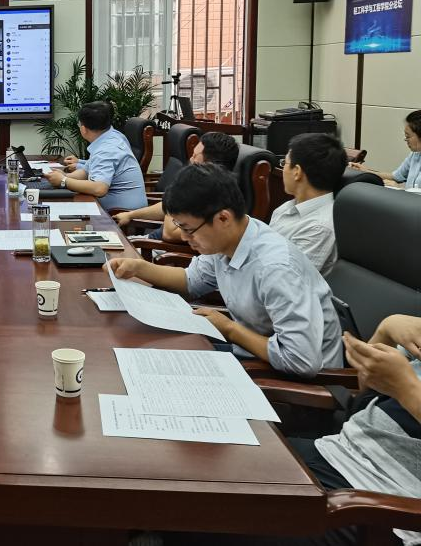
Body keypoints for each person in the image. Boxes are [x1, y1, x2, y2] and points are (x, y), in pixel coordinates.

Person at [164, 314, 421, 546]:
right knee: (180, 480)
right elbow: (365, 393)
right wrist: (386, 330)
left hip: (384, 501)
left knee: (199, 517)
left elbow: (399, 386)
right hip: (335, 450)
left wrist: (406, 386)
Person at [106, 163, 343, 378]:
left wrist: (230, 329)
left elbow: (301, 360)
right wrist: (139, 268)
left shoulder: (275, 268)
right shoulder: (230, 240)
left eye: (188, 229)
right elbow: (191, 280)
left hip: (301, 381)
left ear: (223, 218)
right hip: (255, 354)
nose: (185, 238)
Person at [113, 131, 239, 240]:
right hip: (149, 240)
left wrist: (177, 195)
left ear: (210, 163)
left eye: (195, 156)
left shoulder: (211, 193)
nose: (190, 160)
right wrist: (130, 215)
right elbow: (165, 207)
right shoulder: (198, 184)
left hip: (159, 250)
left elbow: (169, 234)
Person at [46, 101, 147, 212]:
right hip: (111, 206)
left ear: (83, 129)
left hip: (122, 213)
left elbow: (99, 188)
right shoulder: (112, 136)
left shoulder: (107, 149)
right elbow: (86, 171)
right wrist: (65, 175)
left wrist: (64, 181)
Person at [269, 133, 347, 277]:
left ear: (297, 172)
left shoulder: (319, 227)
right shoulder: (286, 207)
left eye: (284, 163)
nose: (283, 169)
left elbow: (286, 280)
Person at [349, 109, 421, 189]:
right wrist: (366, 172)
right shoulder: (415, 154)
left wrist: (400, 190)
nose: (405, 139)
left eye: (408, 136)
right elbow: (395, 177)